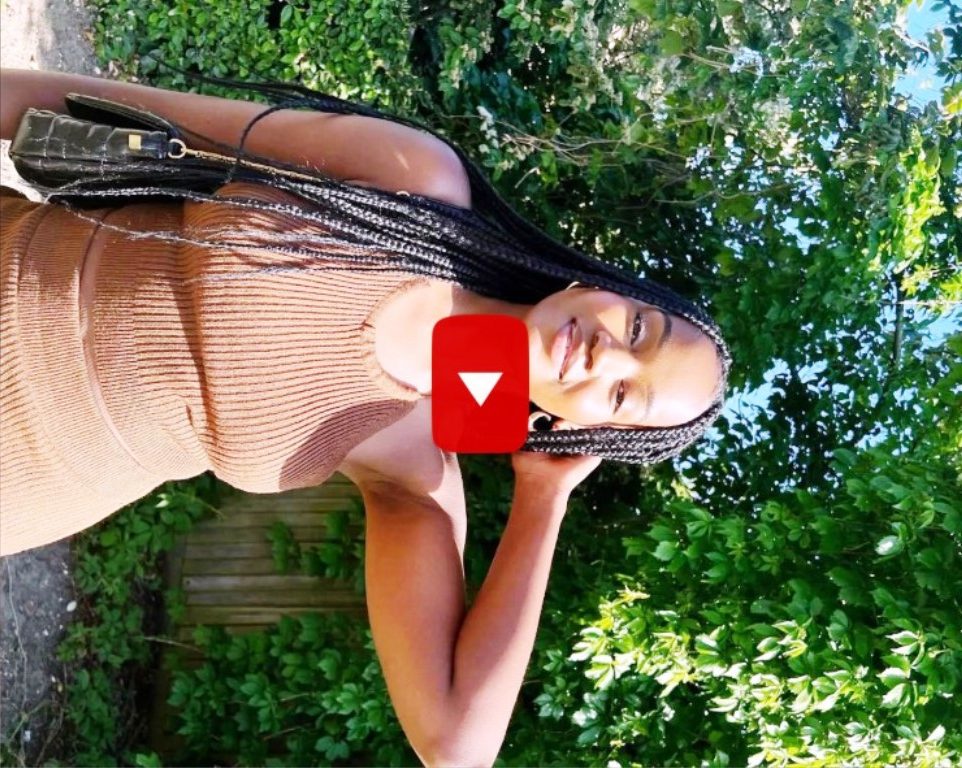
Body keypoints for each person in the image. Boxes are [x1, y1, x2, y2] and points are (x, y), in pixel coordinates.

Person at [0, 68, 729, 765]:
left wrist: (543, 499)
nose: (609, 354)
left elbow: (454, 745)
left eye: (622, 397)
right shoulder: (418, 184)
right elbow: (95, 105)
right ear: (606, 287)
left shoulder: (412, 457)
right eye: (640, 329)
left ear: (586, 429)